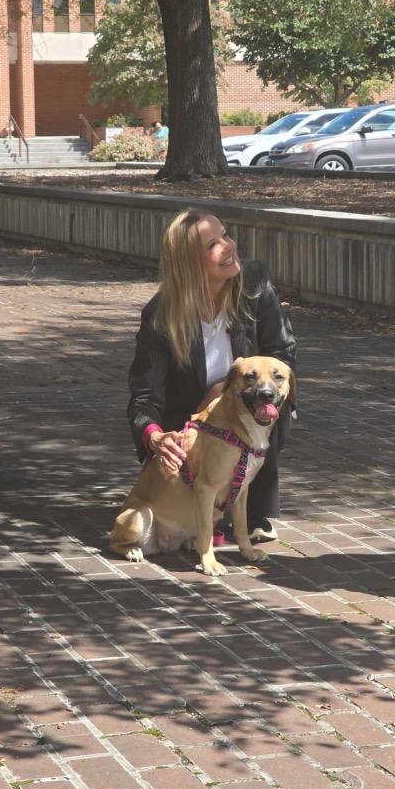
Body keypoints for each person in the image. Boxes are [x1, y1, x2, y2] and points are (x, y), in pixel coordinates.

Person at [127, 210, 296, 545]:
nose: (229, 246)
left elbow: (284, 354)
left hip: (251, 410)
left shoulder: (256, 288)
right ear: (189, 262)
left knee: (266, 397)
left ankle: (250, 508)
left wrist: (224, 389)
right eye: (213, 244)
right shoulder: (161, 316)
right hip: (191, 425)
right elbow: (144, 395)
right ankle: (196, 505)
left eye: (226, 235)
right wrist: (155, 437)